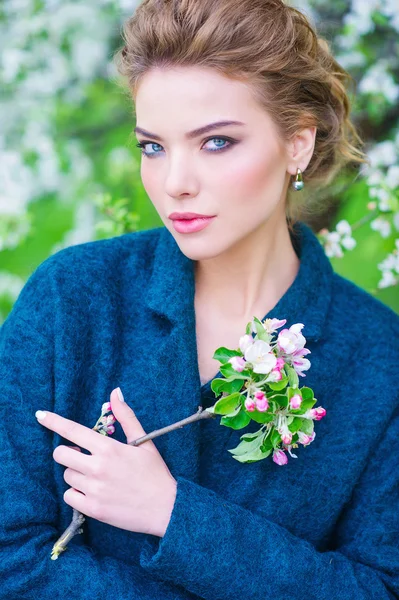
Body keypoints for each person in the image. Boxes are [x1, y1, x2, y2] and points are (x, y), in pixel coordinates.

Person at [1, 0, 398, 598]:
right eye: (152, 146)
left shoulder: (380, 359)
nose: (174, 182)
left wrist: (174, 515)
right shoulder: (71, 299)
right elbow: (10, 558)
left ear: (297, 143)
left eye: (215, 143)